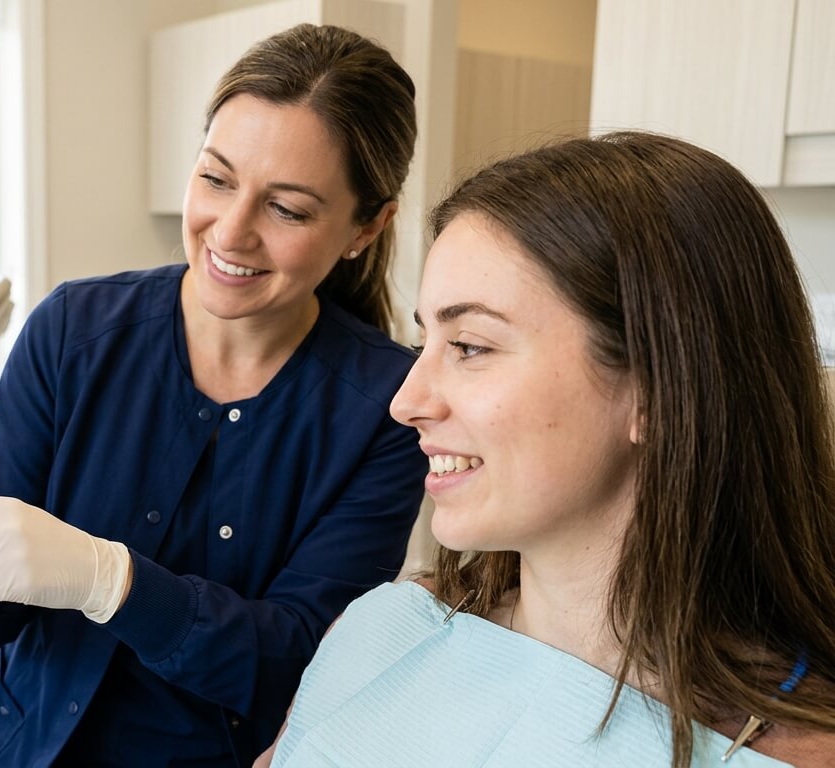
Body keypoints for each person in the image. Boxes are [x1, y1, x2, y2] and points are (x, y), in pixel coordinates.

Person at [0, 24, 427, 767]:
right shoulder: (73, 332)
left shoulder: (387, 408)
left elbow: (295, 664)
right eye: (216, 178)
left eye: (287, 209)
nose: (229, 233)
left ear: (367, 226)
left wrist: (113, 580)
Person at [261, 132, 835, 767]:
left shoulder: (791, 753)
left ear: (659, 391)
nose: (406, 402)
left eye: (471, 346)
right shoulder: (384, 629)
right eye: (426, 341)